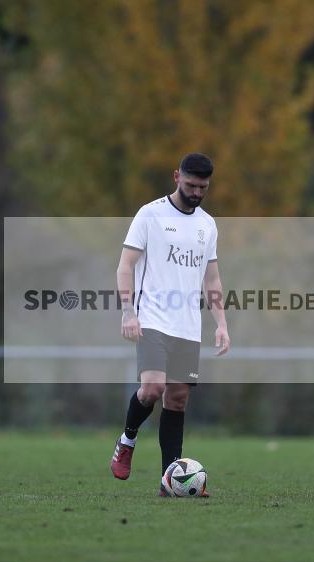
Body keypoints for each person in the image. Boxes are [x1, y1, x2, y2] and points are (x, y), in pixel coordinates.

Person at [109, 153, 230, 495]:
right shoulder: (150, 215)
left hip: (188, 326)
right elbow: (125, 266)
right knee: (153, 389)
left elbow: (213, 279)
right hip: (152, 319)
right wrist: (128, 311)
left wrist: (221, 324)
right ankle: (127, 439)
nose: (196, 192)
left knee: (177, 401)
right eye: (190, 184)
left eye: (202, 187)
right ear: (177, 176)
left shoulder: (208, 225)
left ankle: (169, 481)